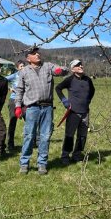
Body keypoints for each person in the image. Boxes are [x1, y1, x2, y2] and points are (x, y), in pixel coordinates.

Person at [14, 46, 67, 174]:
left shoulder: (48, 66)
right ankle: (24, 163)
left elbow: (64, 70)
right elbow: (19, 90)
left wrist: (60, 70)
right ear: (28, 58)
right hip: (32, 108)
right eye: (33, 53)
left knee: (45, 136)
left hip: (47, 108)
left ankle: (42, 163)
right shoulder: (24, 71)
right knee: (29, 136)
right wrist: (18, 106)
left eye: (38, 53)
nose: (37, 54)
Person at [55, 59, 95, 164]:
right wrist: (64, 101)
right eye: (78, 65)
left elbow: (92, 91)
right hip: (73, 112)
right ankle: (65, 156)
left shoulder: (88, 80)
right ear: (73, 69)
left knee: (82, 136)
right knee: (69, 135)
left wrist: (88, 101)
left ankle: (77, 155)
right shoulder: (69, 80)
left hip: (85, 112)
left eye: (81, 64)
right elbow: (58, 88)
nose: (81, 66)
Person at [5, 60, 25, 151]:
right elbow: (1, 80)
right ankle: (10, 144)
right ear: (17, 68)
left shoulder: (28, 76)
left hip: (25, 101)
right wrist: (9, 88)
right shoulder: (14, 76)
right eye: (21, 66)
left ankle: (31, 142)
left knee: (29, 121)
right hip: (14, 100)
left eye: (24, 66)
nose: (23, 67)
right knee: (13, 121)